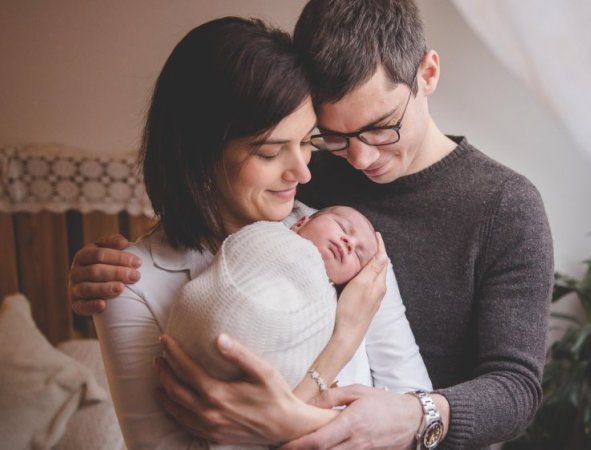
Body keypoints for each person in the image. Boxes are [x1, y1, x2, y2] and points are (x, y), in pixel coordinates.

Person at [70, 1, 555, 448]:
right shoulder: (311, 192)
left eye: (381, 126)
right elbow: (211, 217)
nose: (359, 158)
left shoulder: (504, 206)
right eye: (334, 137)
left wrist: (398, 414)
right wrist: (102, 270)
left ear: (427, 73)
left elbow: (513, 388)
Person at [85, 16, 430, 450]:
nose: (302, 171)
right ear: (201, 154)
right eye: (270, 151)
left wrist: (286, 421)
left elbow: (415, 420)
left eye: (308, 141)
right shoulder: (131, 286)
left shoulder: (345, 241)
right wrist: (341, 343)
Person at [167, 206, 381, 392]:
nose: (349, 242)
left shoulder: (333, 307)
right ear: (300, 223)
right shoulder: (268, 235)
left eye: (358, 255)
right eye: (342, 227)